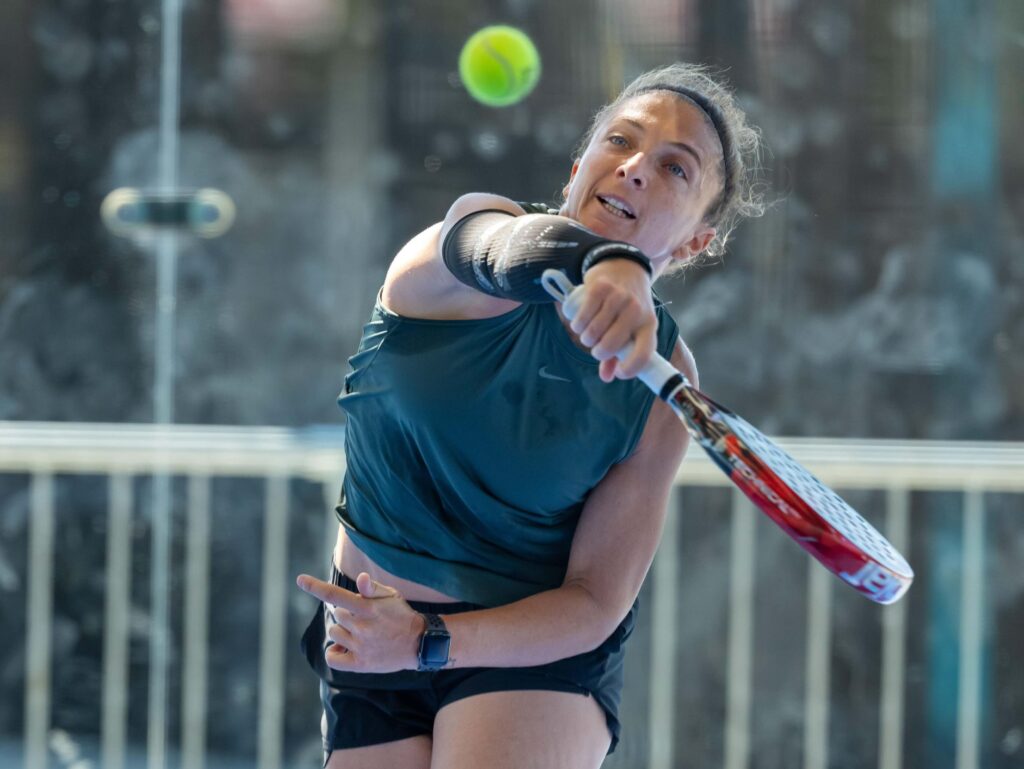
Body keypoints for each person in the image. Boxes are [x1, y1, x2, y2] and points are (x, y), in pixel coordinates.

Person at [297, 62, 766, 769]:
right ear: (580, 167)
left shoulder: (666, 384)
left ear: (697, 241)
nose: (636, 167)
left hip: (533, 654)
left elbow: (593, 601)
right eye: (620, 141)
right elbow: (503, 248)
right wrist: (606, 262)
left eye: (675, 168)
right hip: (369, 638)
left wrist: (429, 638)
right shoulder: (447, 257)